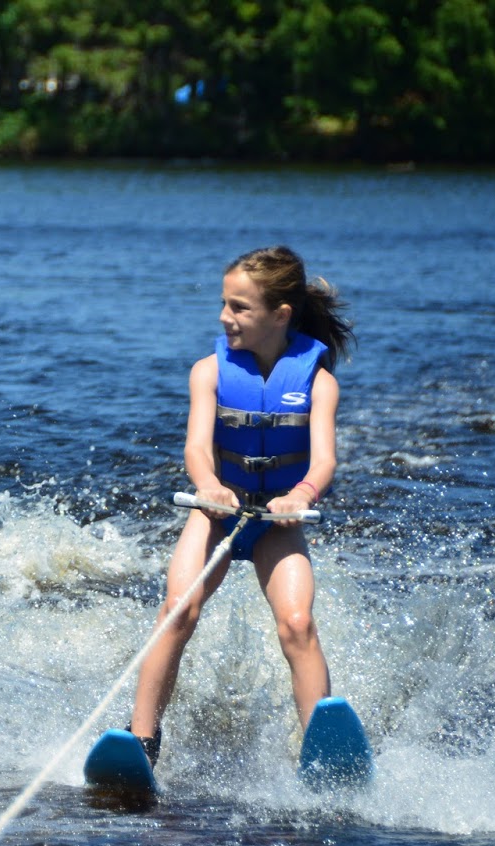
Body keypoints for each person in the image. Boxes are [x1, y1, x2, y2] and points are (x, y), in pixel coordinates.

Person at [130, 245, 354, 767]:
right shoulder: (207, 372)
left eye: (239, 307)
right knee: (177, 611)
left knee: (297, 624)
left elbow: (323, 461)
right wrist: (207, 483)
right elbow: (194, 447)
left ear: (280, 316)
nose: (224, 317)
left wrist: (301, 495)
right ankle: (141, 742)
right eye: (225, 304)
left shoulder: (320, 384)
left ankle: (321, 753)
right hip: (217, 514)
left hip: (277, 520)